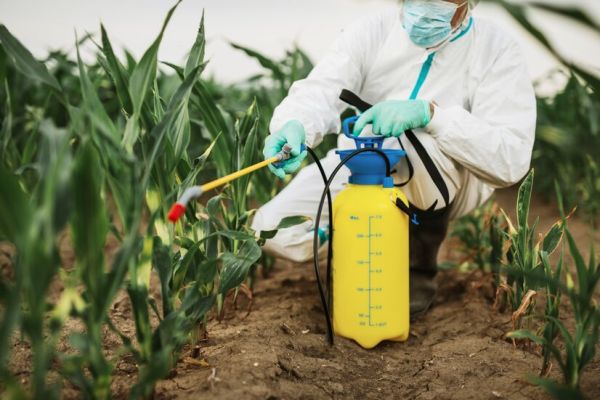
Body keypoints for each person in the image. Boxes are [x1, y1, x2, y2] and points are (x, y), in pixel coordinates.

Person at [251, 0, 536, 318]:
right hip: (362, 167)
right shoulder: (371, 31)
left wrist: (432, 116)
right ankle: (357, 246)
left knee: (417, 139)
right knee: (270, 229)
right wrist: (295, 125)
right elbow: (321, 90)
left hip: (445, 181)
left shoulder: (496, 49)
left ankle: (416, 267)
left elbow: (511, 159)